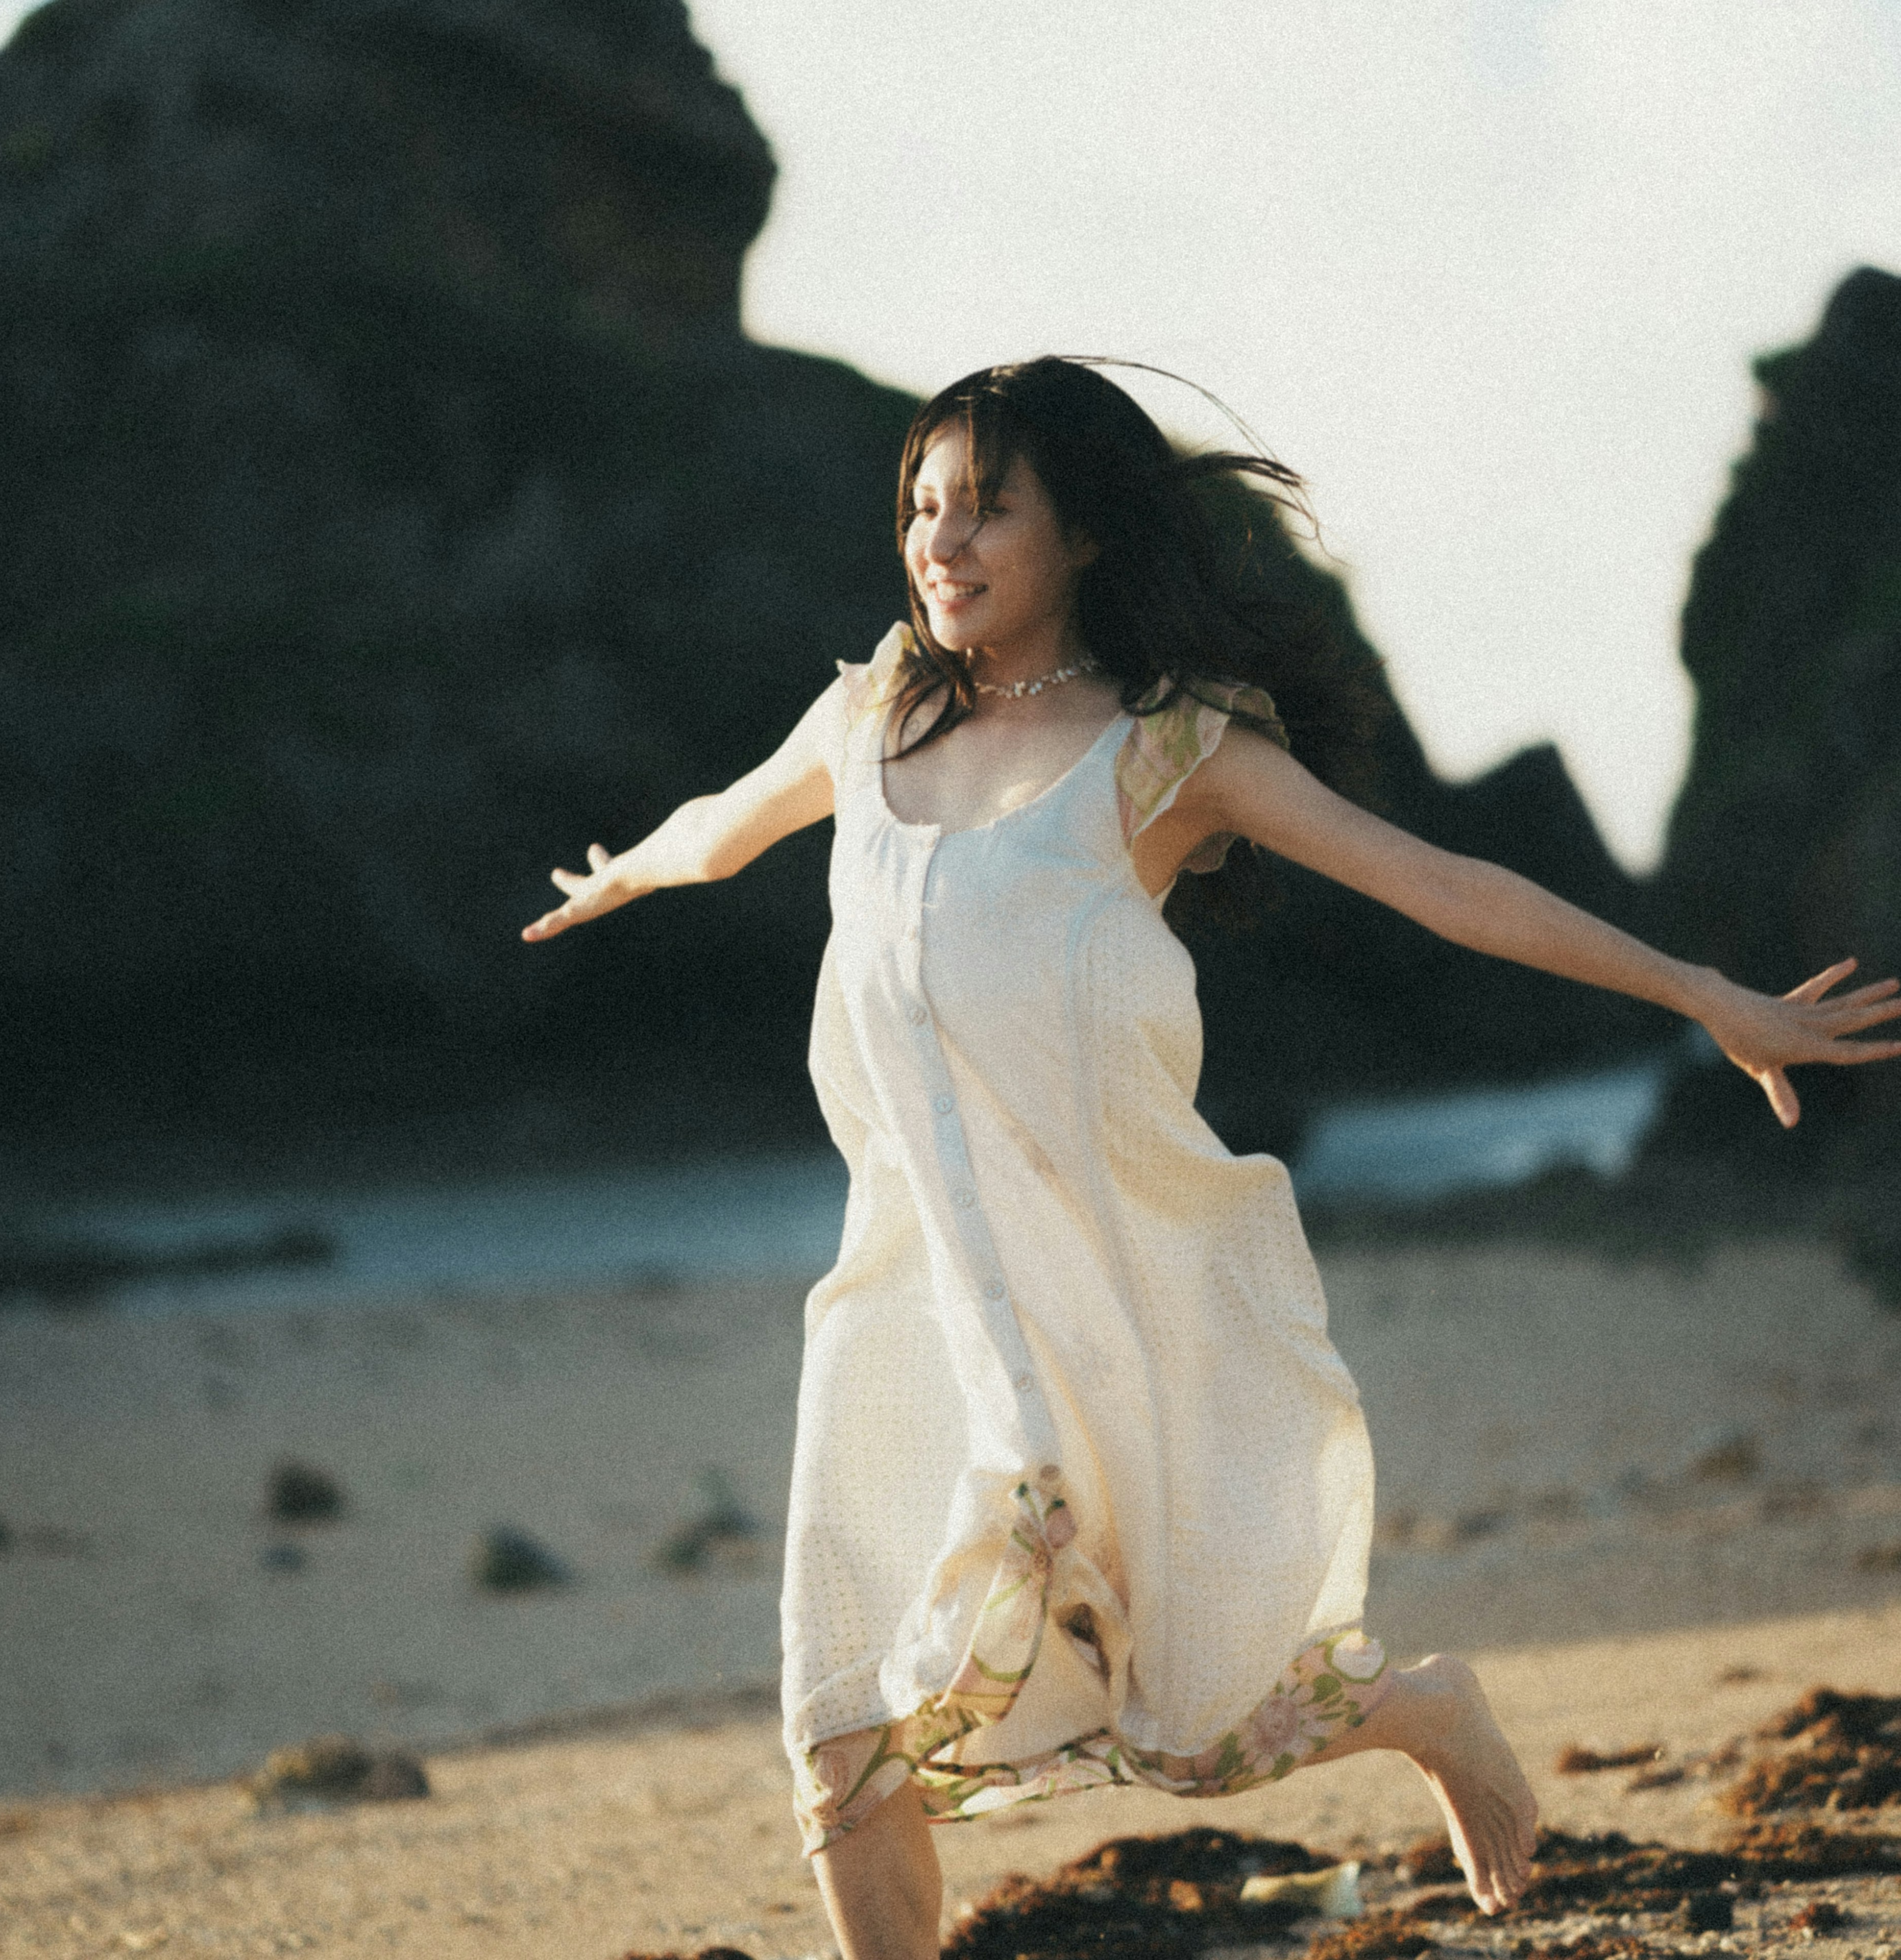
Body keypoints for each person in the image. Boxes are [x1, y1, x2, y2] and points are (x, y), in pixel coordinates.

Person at [522, 357, 1901, 1960]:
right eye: (920, 507)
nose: (940, 543)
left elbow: (1442, 885)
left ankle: (1421, 1713)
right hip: (904, 1305)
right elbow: (729, 823)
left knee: (1188, 1719)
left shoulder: (1168, 751)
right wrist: (628, 870)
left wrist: (1700, 996)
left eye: (986, 508)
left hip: (1104, 1296)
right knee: (840, 1727)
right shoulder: (874, 707)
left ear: (1083, 534)